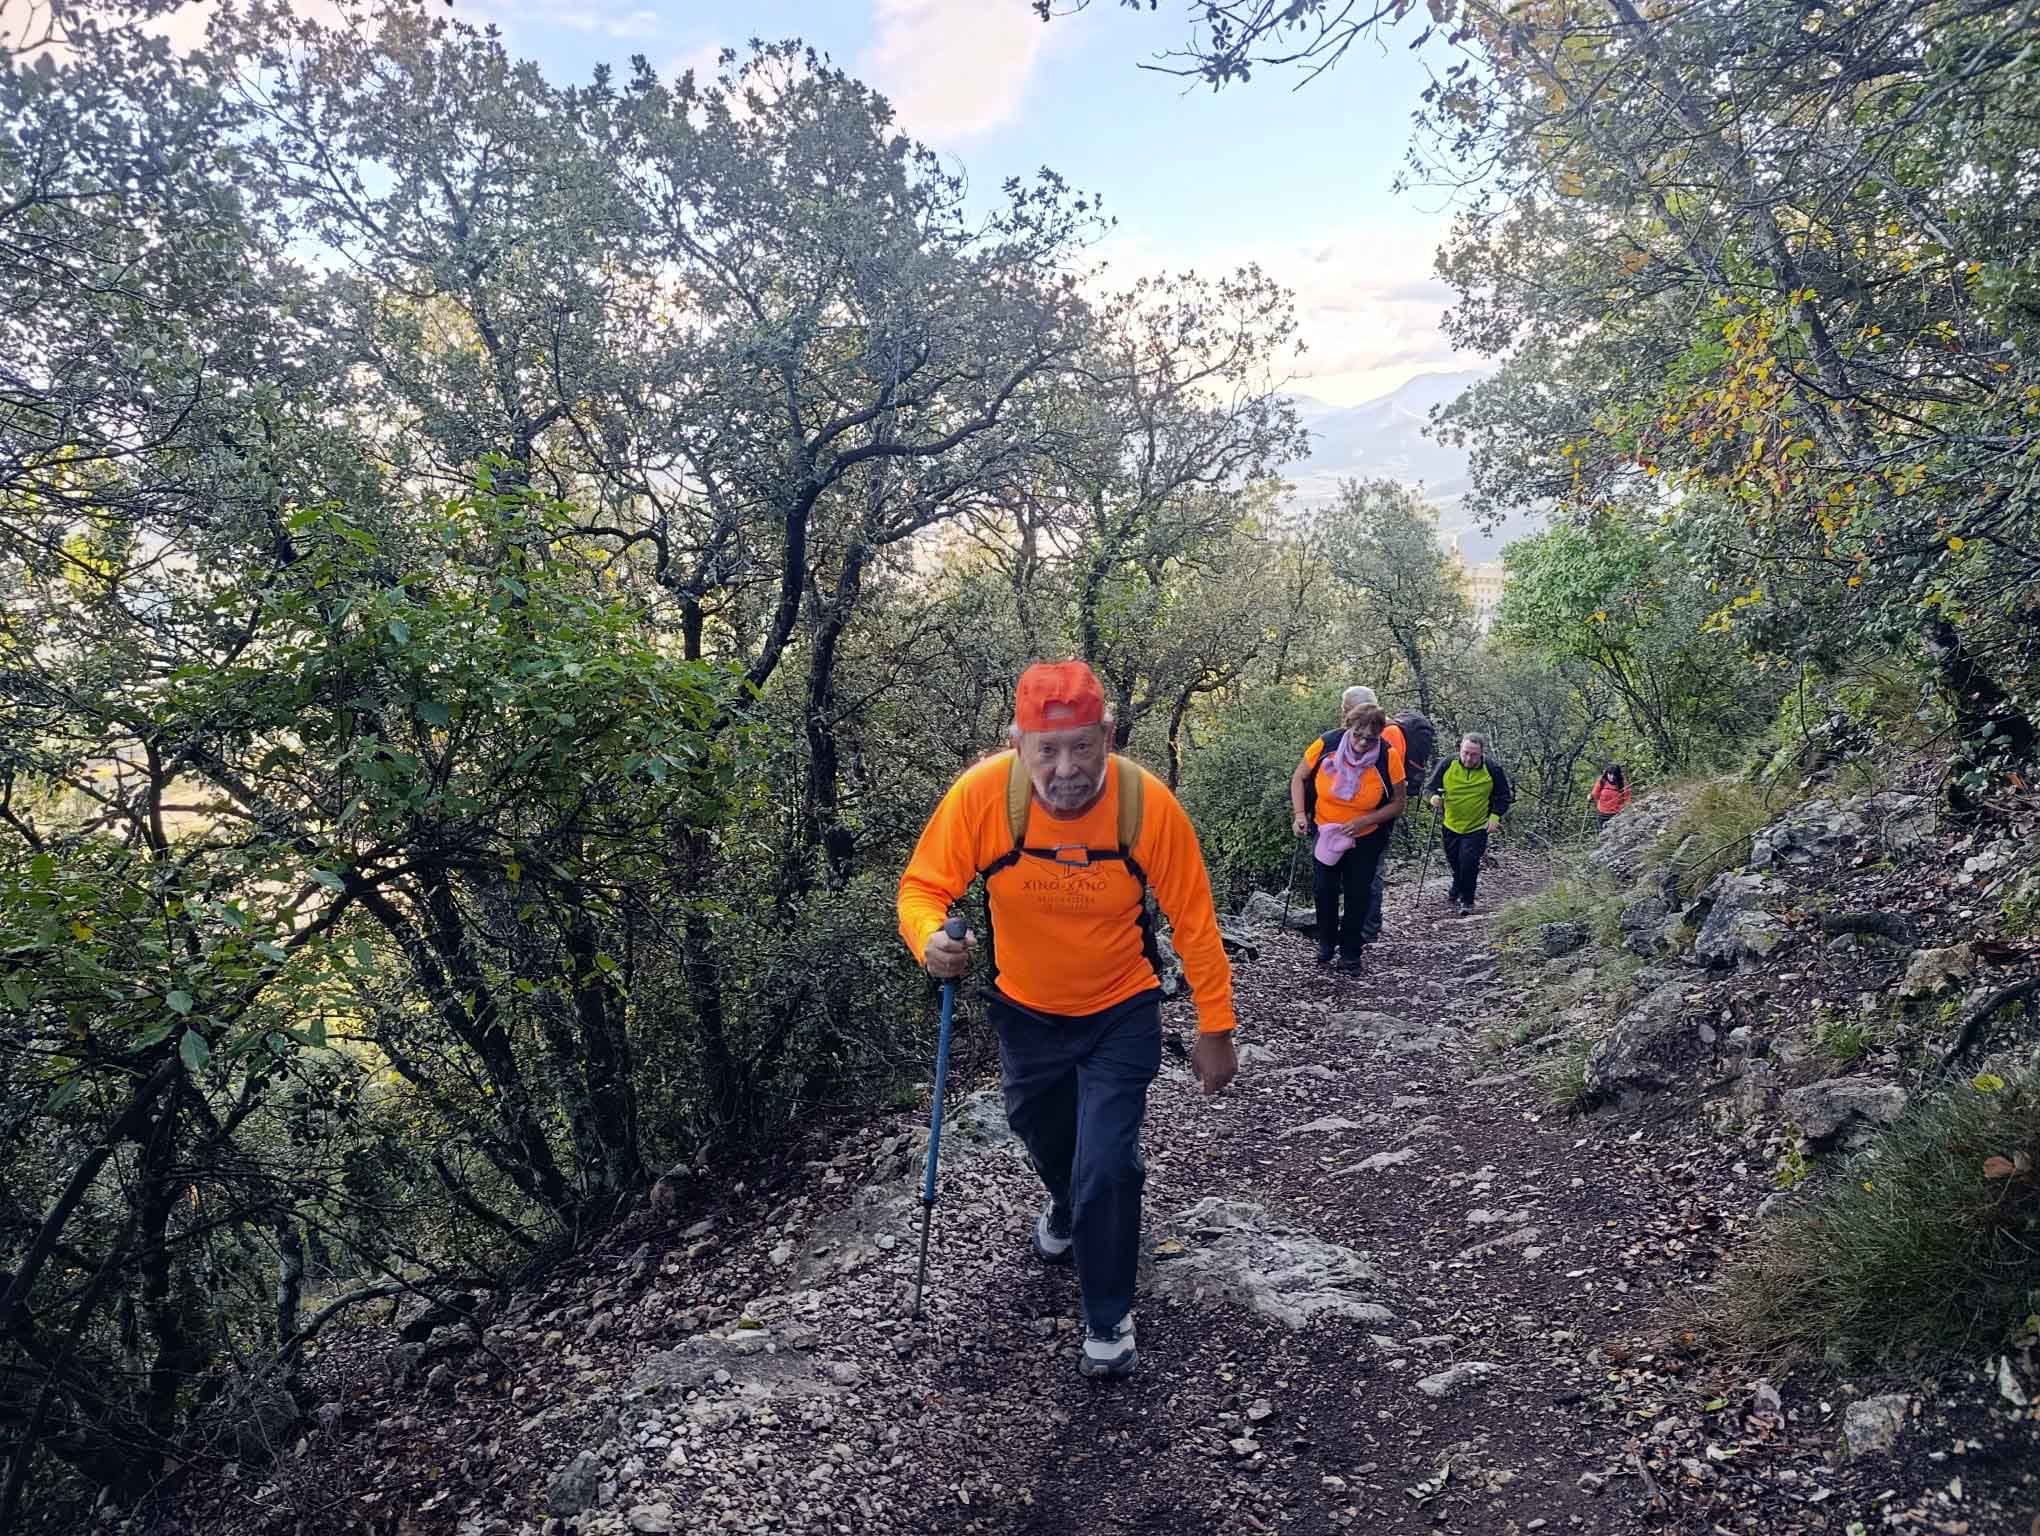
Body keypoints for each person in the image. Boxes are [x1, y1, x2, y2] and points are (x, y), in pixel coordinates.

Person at [897, 660, 1238, 1381]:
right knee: (1041, 1132)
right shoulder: (986, 798)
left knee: (1108, 1163)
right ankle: (1065, 1201)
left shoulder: (1147, 807)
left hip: (1122, 1007)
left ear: (1107, 736)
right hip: (1027, 1012)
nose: (1066, 768)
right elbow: (925, 886)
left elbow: (1195, 922)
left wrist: (1217, 1028)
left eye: (1083, 746)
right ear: (1017, 744)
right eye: (1047, 751)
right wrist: (928, 937)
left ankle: (1108, 1316)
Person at [1288, 700, 1407, 972]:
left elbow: (1398, 803)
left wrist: (1366, 819)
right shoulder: (1326, 745)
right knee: (1323, 889)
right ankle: (1327, 942)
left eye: (1371, 738)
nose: (1363, 743)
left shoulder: (1387, 756)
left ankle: (1351, 952)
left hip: (1366, 836)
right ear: (1348, 727)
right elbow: (1299, 778)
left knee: (1358, 894)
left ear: (1379, 735)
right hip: (1325, 829)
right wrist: (1299, 814)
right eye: (1357, 735)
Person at [1424, 733, 1513, 915]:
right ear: (1460, 750)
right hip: (1450, 824)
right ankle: (1457, 884)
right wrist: (1433, 798)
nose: (1468, 758)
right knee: (1455, 861)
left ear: (1481, 754)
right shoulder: (1447, 764)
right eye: (1465, 753)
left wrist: (1495, 817)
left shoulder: (1492, 769)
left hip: (1477, 826)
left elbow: (1504, 797)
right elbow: (1429, 788)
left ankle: (1467, 900)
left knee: (1469, 862)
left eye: (1473, 754)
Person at [1590, 764, 1631, 830]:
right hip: (1602, 813)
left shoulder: (1623, 784)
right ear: (1606, 773)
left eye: (1614, 775)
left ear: (1618, 775)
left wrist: (1627, 810)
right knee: (1602, 834)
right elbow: (1595, 794)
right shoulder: (1602, 781)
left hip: (1616, 814)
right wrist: (1591, 797)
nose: (1612, 777)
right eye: (1610, 774)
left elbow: (1627, 799)